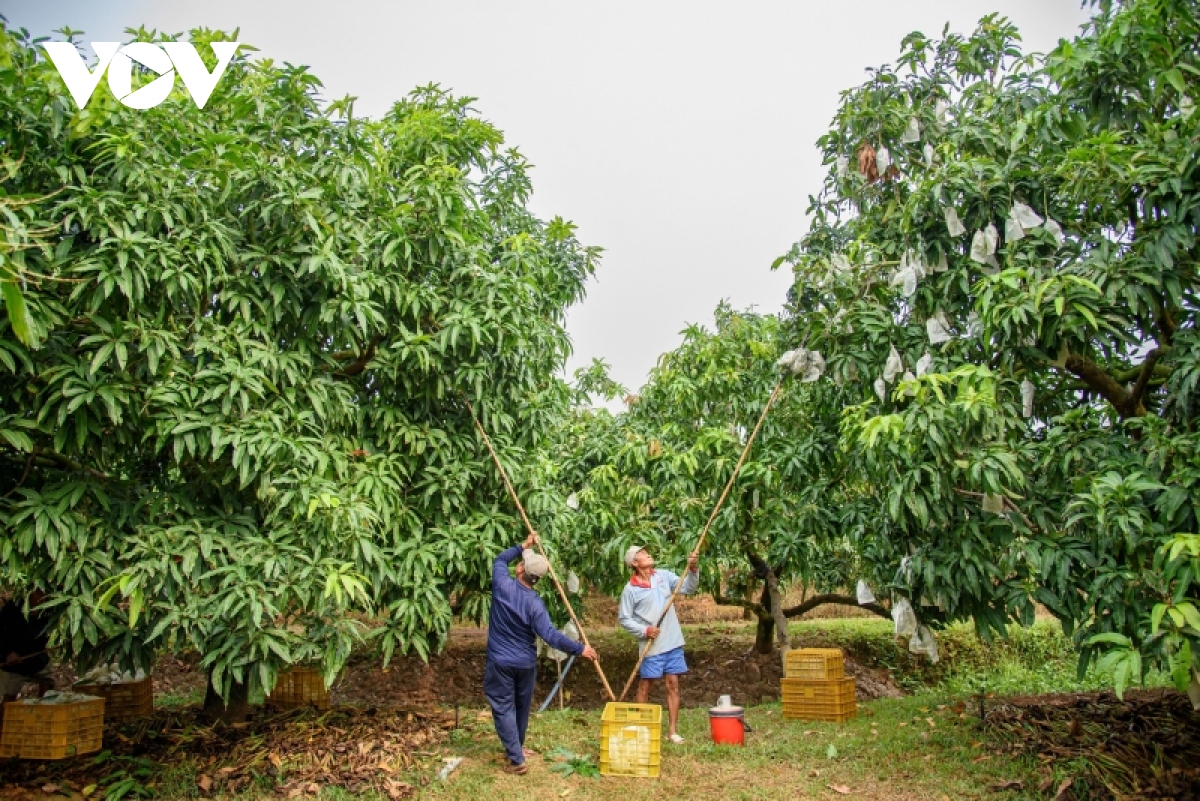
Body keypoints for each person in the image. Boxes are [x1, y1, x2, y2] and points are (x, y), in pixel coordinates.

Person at [485, 532, 598, 775]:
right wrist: (581, 649)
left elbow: (499, 560)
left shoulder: (502, 585)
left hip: (500, 661)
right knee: (521, 706)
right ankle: (517, 747)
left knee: (504, 706)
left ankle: (516, 759)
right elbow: (551, 635)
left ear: (520, 570)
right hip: (525, 663)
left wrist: (521, 546)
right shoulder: (535, 604)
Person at [617, 545, 699, 744]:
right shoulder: (631, 590)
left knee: (673, 684)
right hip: (651, 646)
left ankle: (672, 731)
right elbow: (624, 618)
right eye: (642, 554)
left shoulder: (662, 576)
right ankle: (641, 727)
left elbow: (688, 587)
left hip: (672, 641)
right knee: (646, 684)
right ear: (634, 564)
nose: (648, 554)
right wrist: (645, 631)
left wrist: (693, 569)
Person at [0, 590, 55, 701]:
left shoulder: (49, 607)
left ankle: (41, 712)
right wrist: (7, 653)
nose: (43, 598)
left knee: (48, 684)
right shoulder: (14, 607)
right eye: (40, 594)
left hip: (37, 656)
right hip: (15, 662)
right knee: (9, 696)